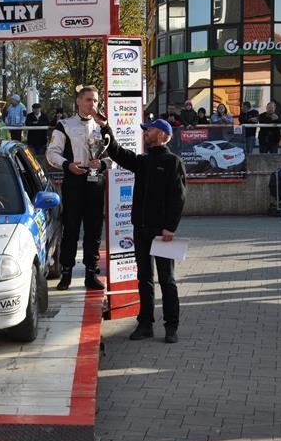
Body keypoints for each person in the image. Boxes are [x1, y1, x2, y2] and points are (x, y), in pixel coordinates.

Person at [93, 116, 186, 343]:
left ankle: (171, 326)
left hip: (162, 232)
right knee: (144, 278)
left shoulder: (173, 162)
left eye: (149, 130)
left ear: (162, 135)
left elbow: (178, 198)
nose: (145, 132)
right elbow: (118, 153)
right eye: (145, 130)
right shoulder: (143, 161)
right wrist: (106, 128)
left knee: (167, 280)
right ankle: (145, 324)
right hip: (140, 229)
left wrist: (169, 227)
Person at [46, 85, 108, 291]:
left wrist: (103, 164)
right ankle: (66, 273)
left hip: (96, 180)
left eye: (96, 100)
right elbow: (51, 153)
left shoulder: (103, 125)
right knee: (71, 228)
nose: (93, 104)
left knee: (94, 229)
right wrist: (67, 165)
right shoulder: (64, 125)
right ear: (78, 101)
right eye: (89, 100)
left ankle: (91, 273)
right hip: (74, 180)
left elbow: (115, 155)